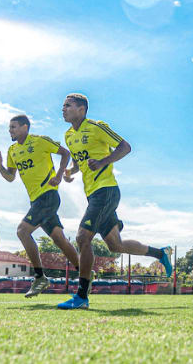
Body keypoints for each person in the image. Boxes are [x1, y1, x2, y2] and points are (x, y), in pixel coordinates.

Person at [57, 93, 172, 310]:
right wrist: (71, 171)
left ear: (82, 109)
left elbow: (125, 147)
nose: (63, 109)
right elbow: (79, 159)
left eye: (68, 105)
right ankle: (160, 253)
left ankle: (81, 296)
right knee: (115, 245)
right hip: (92, 194)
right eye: (63, 106)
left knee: (83, 238)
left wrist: (103, 161)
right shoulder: (69, 135)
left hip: (106, 191)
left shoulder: (97, 127)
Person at [0, 114, 81, 298]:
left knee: (22, 231)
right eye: (9, 127)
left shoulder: (40, 141)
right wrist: (0, 166)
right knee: (60, 240)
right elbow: (11, 177)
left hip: (48, 196)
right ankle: (85, 273)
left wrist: (59, 175)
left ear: (25, 127)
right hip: (36, 201)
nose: (10, 130)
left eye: (14, 127)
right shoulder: (12, 150)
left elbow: (65, 153)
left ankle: (40, 277)